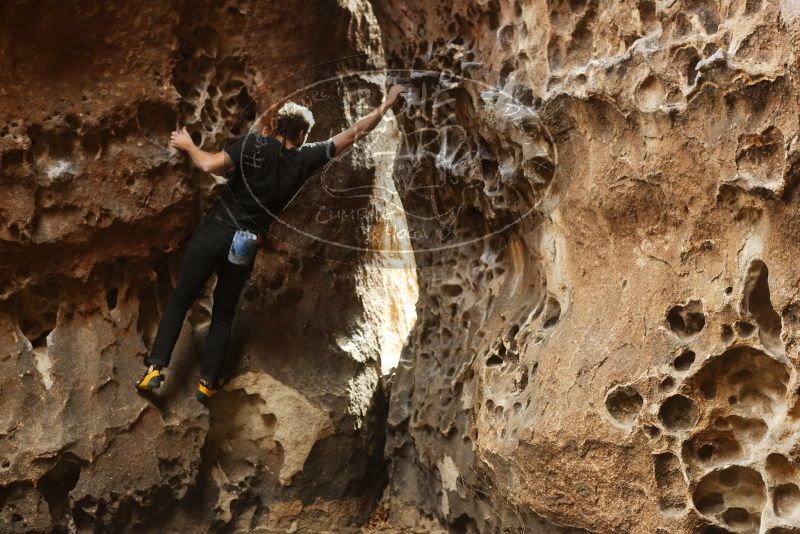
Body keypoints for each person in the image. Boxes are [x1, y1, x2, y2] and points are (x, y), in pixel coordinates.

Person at [135, 84, 407, 402]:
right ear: (303, 135)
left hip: (215, 231)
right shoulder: (305, 159)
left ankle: (155, 369)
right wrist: (385, 105)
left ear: (276, 127)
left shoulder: (254, 145)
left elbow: (208, 165)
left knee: (181, 297)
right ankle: (207, 383)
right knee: (223, 312)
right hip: (244, 245)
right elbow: (356, 132)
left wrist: (188, 145)